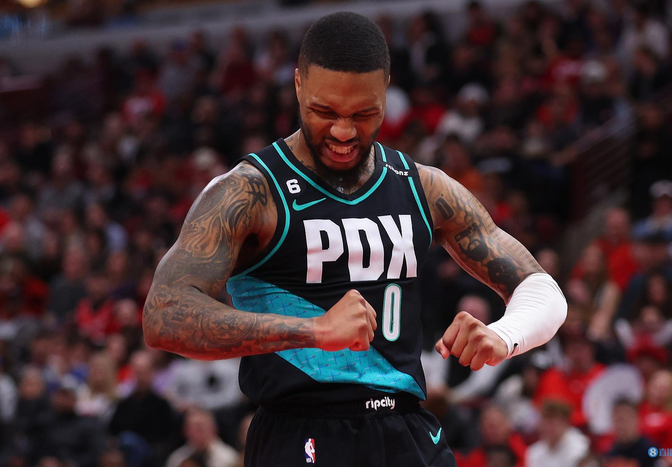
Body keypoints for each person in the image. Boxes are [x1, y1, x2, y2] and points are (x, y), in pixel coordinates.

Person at [143, 12, 567, 467]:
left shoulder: (422, 186)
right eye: (325, 112)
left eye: (363, 114)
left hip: (408, 428)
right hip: (298, 429)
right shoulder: (249, 191)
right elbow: (164, 314)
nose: (343, 132)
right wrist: (311, 331)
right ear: (298, 84)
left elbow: (542, 289)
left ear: (386, 90)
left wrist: (503, 334)